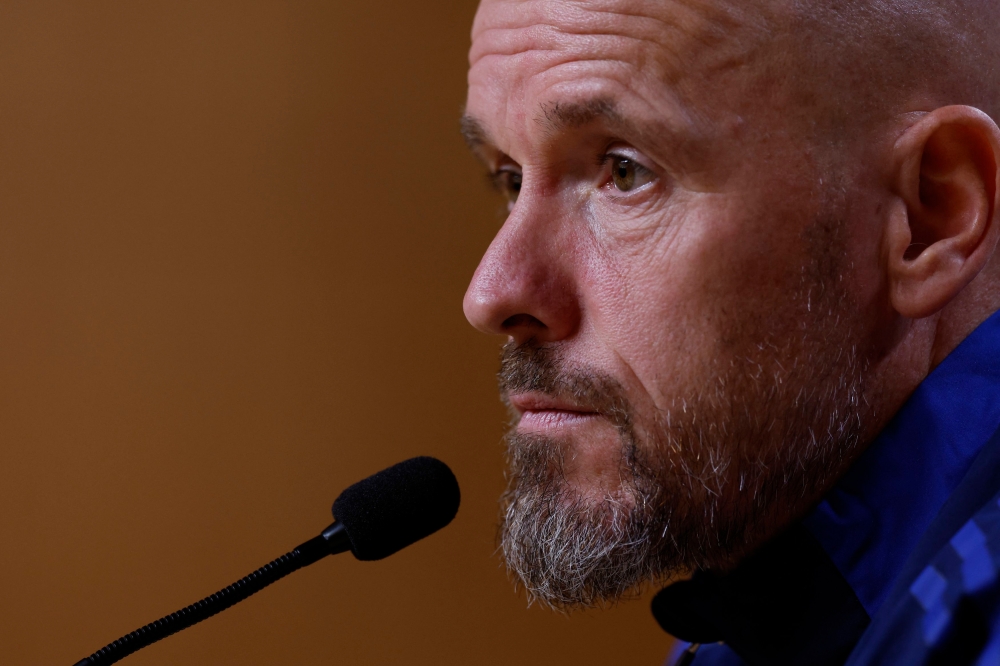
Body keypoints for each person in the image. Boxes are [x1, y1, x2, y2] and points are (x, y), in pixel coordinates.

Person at [459, 0, 1000, 664]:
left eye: (624, 172)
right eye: (510, 179)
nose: (491, 293)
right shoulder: (761, 603)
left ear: (929, 217)